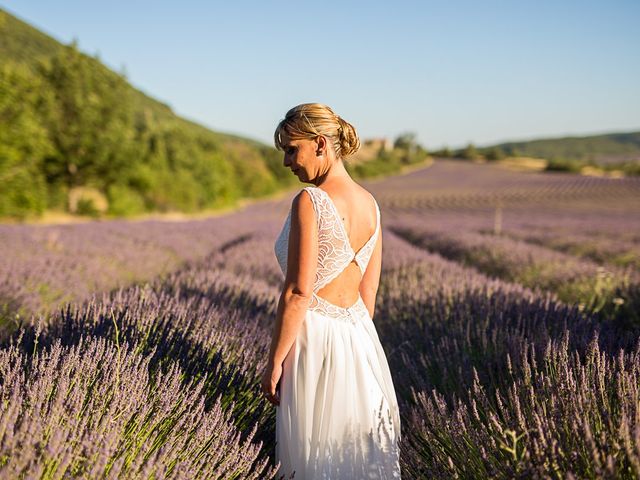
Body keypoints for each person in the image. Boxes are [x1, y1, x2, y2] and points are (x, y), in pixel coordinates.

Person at [262, 103, 401, 479]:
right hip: (359, 341)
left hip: (315, 342)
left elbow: (297, 292)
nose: (287, 162)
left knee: (313, 459)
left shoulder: (312, 201)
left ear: (320, 144)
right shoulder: (370, 204)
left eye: (292, 149)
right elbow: (368, 289)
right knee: (358, 457)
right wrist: (351, 348)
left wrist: (275, 360)